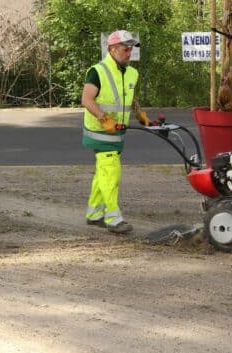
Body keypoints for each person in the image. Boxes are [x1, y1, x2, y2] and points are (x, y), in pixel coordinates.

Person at [81, 30, 151, 234]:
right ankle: (113, 218)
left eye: (131, 49)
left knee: (103, 173)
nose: (129, 53)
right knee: (111, 173)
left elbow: (129, 98)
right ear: (112, 49)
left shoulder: (131, 73)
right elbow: (86, 99)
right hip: (99, 133)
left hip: (117, 133)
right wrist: (104, 118)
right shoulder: (97, 71)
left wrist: (140, 114)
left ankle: (94, 214)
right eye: (125, 49)